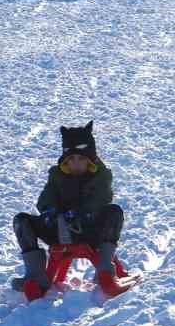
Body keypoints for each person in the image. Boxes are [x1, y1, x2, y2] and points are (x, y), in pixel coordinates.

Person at [11, 122, 128, 300]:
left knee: (114, 212)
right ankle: (36, 277)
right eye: (71, 159)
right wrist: (50, 212)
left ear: (90, 160)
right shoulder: (57, 175)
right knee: (22, 221)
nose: (76, 164)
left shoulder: (101, 175)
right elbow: (46, 198)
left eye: (81, 159)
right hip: (59, 229)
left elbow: (102, 197)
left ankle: (105, 271)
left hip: (90, 230)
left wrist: (85, 213)